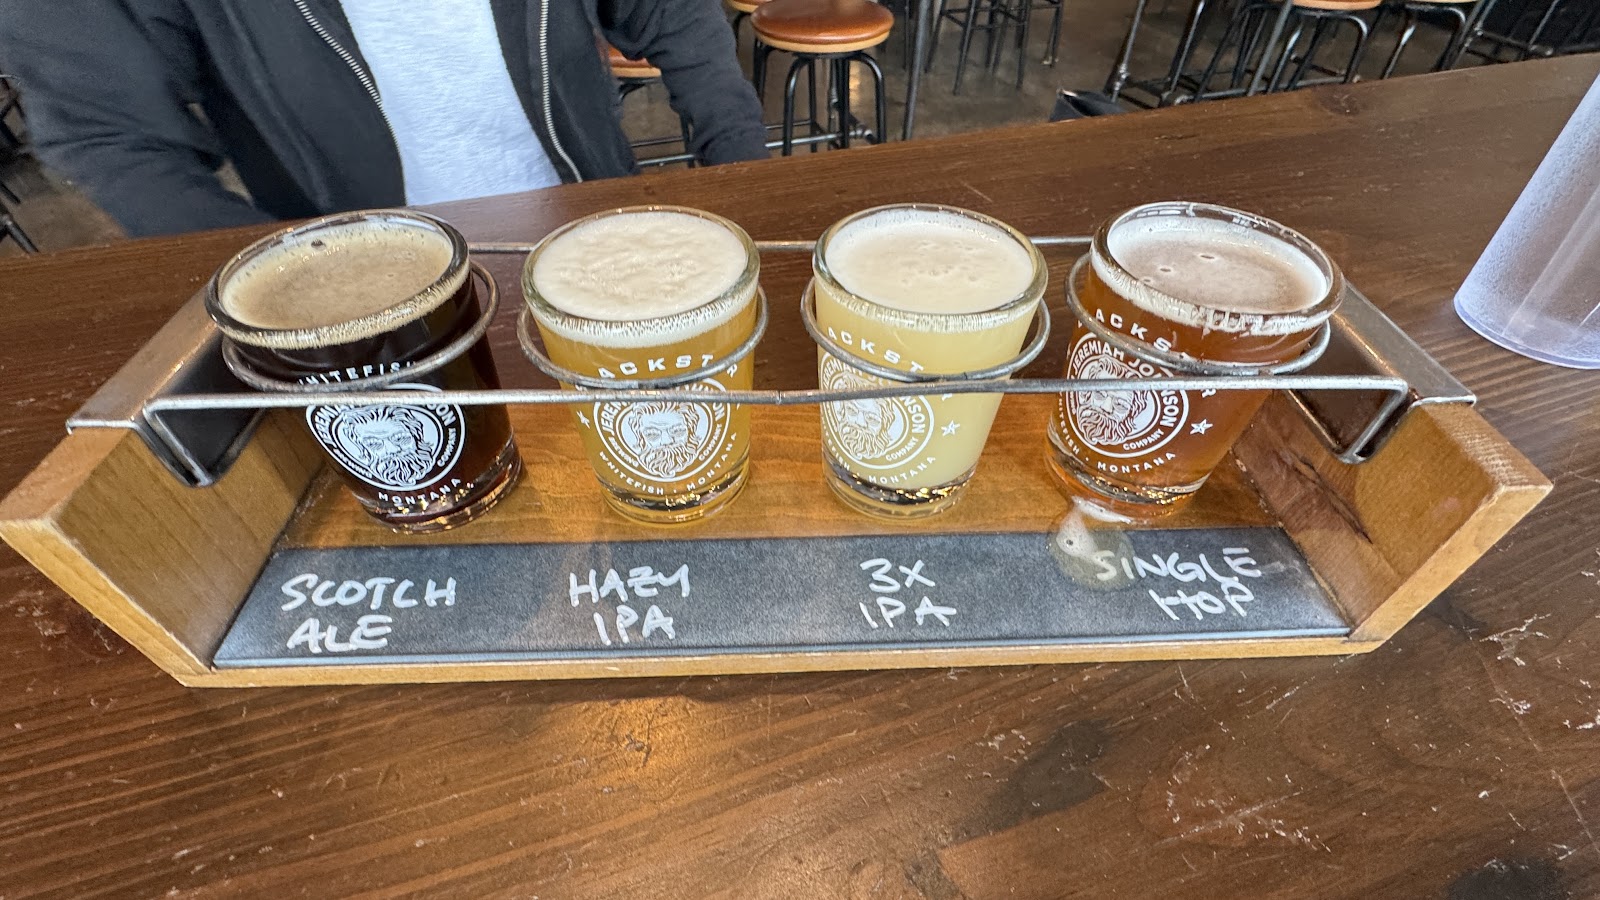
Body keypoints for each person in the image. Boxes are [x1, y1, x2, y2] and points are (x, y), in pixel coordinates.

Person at [0, 0, 768, 237]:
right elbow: (114, 135)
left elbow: (669, 13)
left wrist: (743, 183)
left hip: (591, 232)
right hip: (365, 290)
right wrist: (305, 292)